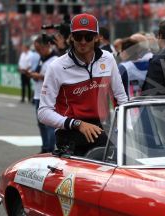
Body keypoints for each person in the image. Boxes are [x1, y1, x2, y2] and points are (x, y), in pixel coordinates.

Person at [38, 13, 128, 156]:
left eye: (88, 36)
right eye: (78, 36)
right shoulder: (56, 67)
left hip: (100, 129)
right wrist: (77, 124)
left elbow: (121, 98)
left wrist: (126, 127)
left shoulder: (108, 59)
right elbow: (43, 113)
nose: (83, 41)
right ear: (71, 37)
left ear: (97, 37)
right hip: (69, 132)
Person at [28, 36, 58, 153]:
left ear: (47, 46)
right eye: (36, 49)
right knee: (41, 124)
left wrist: (39, 76)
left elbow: (56, 78)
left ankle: (50, 150)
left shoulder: (55, 59)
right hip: (37, 95)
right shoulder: (42, 58)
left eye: (39, 49)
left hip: (49, 97)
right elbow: (39, 73)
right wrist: (33, 75)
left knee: (49, 125)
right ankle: (45, 148)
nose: (38, 51)